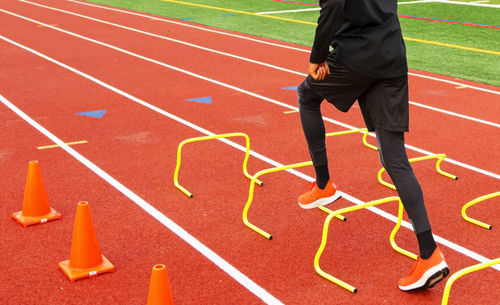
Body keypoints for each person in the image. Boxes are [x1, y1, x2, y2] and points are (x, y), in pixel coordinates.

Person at [296, 0, 449, 291]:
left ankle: (323, 183)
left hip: (356, 56)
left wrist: (317, 56)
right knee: (394, 157)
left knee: (306, 96)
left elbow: (332, 6)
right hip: (391, 52)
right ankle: (429, 253)